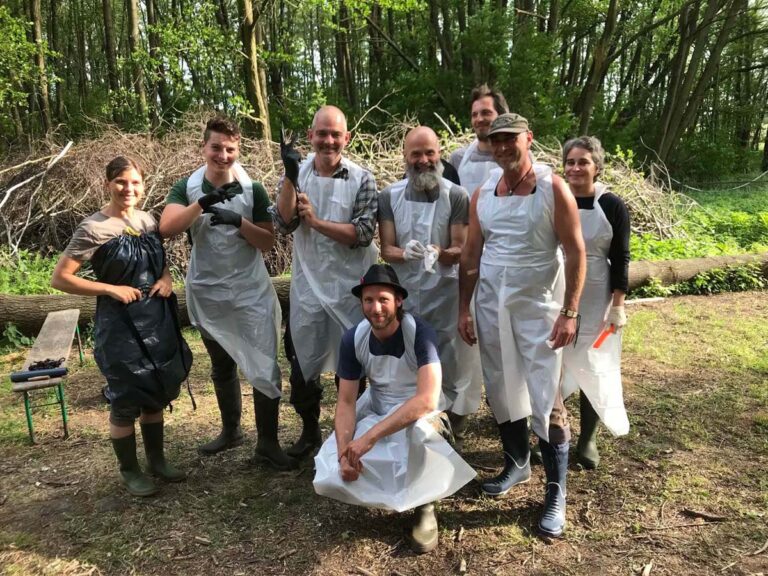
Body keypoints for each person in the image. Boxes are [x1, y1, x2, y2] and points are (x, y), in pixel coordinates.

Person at [458, 113, 586, 538]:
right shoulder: (483, 195)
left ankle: (555, 491)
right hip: (493, 308)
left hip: (540, 311)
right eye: (495, 141)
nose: (502, 147)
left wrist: (570, 312)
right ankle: (516, 464)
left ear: (528, 139)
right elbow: (471, 256)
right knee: (501, 386)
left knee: (547, 397)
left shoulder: (553, 189)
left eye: (510, 139)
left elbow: (575, 251)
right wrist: (464, 308)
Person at [159, 116, 294, 470]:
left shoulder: (254, 189)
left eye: (230, 149)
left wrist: (239, 222)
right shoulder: (186, 187)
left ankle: (267, 442)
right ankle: (231, 430)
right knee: (222, 363)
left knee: (264, 362)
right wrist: (202, 204)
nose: (223, 155)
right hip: (208, 291)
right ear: (203, 147)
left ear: (239, 150)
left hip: (250, 291)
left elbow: (267, 242)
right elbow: (167, 227)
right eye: (216, 147)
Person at [52, 156, 191, 496]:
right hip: (120, 325)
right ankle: (130, 470)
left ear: (143, 186)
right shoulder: (93, 228)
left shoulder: (148, 219)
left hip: (156, 318)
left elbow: (159, 261)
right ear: (108, 184)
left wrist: (167, 278)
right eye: (120, 182)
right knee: (126, 398)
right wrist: (109, 288)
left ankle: (156, 460)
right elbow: (61, 278)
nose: (128, 189)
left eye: (134, 183)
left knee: (155, 391)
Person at [313, 264, 476, 554]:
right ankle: (376, 485)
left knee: (420, 437)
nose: (376, 308)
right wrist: (344, 451)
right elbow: (346, 402)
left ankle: (425, 505)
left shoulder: (420, 333)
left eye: (383, 299)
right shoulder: (353, 339)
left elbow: (426, 398)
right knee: (331, 466)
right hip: (377, 407)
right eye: (368, 300)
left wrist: (369, 438)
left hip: (418, 412)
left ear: (398, 301)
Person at [272, 105, 379, 459]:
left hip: (350, 286)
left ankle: (347, 433)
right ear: (310, 136)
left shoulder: (362, 179)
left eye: (336, 134)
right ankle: (308, 431)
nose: (328, 141)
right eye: (322, 133)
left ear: (346, 138)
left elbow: (362, 233)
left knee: (351, 365)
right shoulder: (296, 173)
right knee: (304, 361)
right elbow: (284, 223)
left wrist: (317, 223)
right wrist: (289, 176)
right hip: (309, 285)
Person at [379, 126, 481, 449]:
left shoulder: (456, 195)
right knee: (411, 360)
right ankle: (413, 426)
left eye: (429, 153)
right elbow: (387, 249)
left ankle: (452, 430)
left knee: (451, 362)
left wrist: (440, 252)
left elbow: (459, 248)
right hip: (405, 295)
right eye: (416, 154)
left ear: (439, 154)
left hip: (445, 294)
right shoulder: (389, 196)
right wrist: (404, 253)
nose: (423, 160)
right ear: (405, 157)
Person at [561, 136, 630, 469]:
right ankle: (551, 431)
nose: (576, 168)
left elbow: (621, 258)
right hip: (557, 285)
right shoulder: (556, 199)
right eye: (570, 162)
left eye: (583, 162)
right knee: (553, 362)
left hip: (597, 290)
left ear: (597, 167)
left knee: (594, 362)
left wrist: (618, 304)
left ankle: (587, 437)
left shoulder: (612, 205)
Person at [450, 84, 509, 195]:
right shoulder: (458, 158)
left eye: (486, 113)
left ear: (501, 116)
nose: (479, 119)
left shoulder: (518, 156)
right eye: (474, 115)